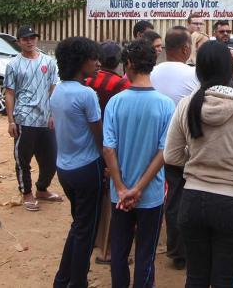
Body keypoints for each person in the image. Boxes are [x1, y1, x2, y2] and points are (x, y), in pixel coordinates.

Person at [164, 41, 233, 288]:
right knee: (225, 279)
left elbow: (171, 156)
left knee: (196, 277)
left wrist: (196, 160)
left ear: (198, 69)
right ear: (228, 69)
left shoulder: (187, 104)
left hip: (192, 200)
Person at [102, 39, 175, 288]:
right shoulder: (165, 104)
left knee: (119, 253)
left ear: (129, 64)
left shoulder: (116, 102)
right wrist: (140, 188)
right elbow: (164, 152)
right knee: (146, 253)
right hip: (151, 194)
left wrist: (122, 187)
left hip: (119, 195)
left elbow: (108, 148)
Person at [50, 37, 105, 288]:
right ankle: (77, 281)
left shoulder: (58, 91)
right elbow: (99, 135)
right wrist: (109, 163)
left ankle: (63, 279)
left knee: (78, 225)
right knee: (86, 231)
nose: (97, 63)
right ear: (81, 61)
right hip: (87, 169)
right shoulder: (86, 94)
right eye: (93, 58)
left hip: (64, 169)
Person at [150, 29, 200, 270]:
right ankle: (185, 249)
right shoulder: (193, 74)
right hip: (185, 145)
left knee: (170, 196)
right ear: (185, 49)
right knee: (185, 194)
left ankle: (173, 247)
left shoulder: (152, 72)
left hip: (157, 144)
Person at [4, 25, 62, 212]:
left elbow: (54, 88)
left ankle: (42, 189)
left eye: (32, 37)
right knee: (23, 158)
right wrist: (11, 120)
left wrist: (53, 114)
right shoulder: (13, 64)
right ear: (19, 41)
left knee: (51, 158)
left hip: (45, 118)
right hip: (24, 118)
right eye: (25, 38)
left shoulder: (49, 61)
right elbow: (10, 93)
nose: (29, 41)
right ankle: (26, 192)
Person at [83, 41, 129, 264]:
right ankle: (108, 250)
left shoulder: (86, 80)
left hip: (88, 144)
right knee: (111, 199)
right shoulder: (120, 84)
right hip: (110, 145)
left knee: (92, 198)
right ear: (119, 62)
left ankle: (93, 240)